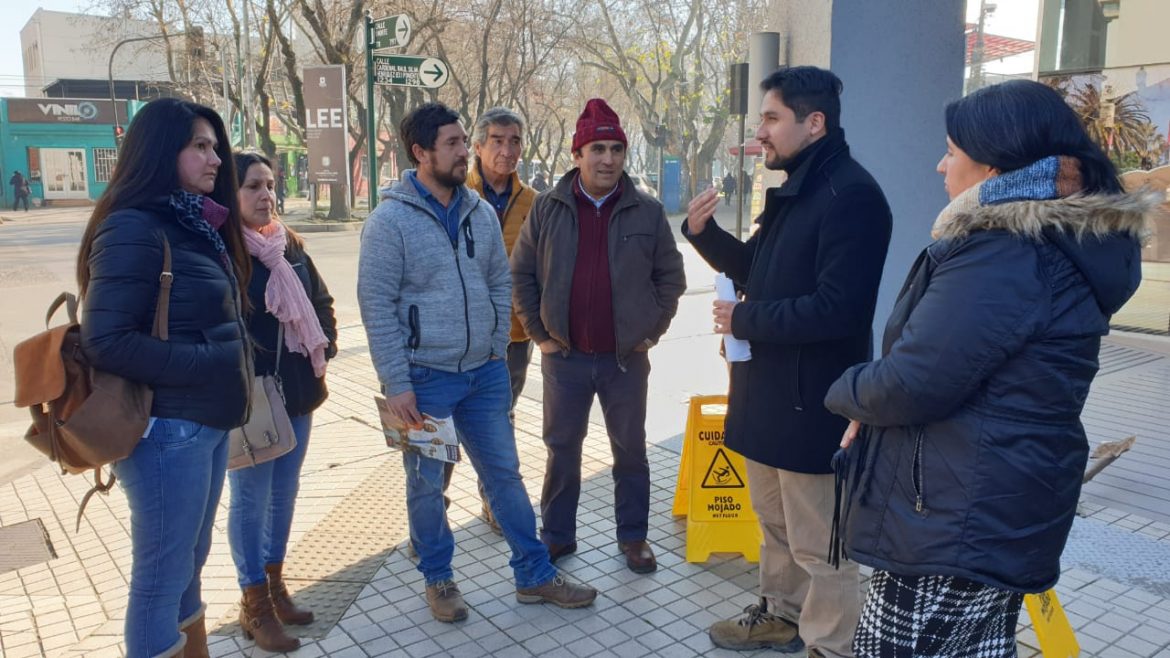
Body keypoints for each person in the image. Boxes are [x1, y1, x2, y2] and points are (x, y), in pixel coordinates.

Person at [824, 79, 1149, 658]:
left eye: (952, 151)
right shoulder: (1041, 244)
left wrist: (845, 391)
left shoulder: (1007, 253)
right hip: (983, 506)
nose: (940, 165)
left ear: (994, 167)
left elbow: (911, 382)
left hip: (954, 520)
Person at [358, 101, 597, 623]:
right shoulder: (388, 222)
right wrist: (397, 382)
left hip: (485, 375)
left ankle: (534, 575)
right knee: (426, 482)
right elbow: (376, 307)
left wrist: (493, 343)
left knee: (506, 476)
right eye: (452, 144)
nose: (465, 151)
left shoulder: (480, 212)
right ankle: (439, 579)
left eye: (465, 141)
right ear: (420, 153)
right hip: (424, 381)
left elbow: (497, 278)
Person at [683, 67, 892, 658]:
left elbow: (840, 310)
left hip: (813, 406)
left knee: (821, 547)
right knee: (774, 527)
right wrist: (705, 236)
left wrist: (744, 321)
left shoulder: (851, 197)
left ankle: (828, 645)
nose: (761, 133)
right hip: (768, 396)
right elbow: (759, 271)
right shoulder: (798, 188)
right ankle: (781, 614)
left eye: (771, 119)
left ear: (814, 122)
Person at [76, 98, 252, 658]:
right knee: (158, 579)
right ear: (160, 152)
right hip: (166, 432)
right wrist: (208, 362)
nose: (216, 159)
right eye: (199, 146)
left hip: (205, 424)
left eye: (214, 146)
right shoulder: (135, 226)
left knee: (188, 566)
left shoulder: (195, 221)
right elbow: (106, 338)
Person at [511, 98, 687, 575]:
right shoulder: (547, 209)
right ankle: (558, 537)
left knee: (630, 451)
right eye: (597, 148)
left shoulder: (646, 212)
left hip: (625, 360)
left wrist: (651, 331)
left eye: (616, 149)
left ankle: (633, 537)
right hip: (564, 357)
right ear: (577, 154)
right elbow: (521, 274)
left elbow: (672, 279)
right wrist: (541, 335)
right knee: (562, 450)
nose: (608, 158)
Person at [227, 152, 337, 651]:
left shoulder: (287, 245)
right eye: (252, 186)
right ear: (229, 194)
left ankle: (274, 586)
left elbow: (321, 302)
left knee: (284, 494)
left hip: (297, 393)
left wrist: (324, 344)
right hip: (250, 401)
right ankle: (254, 603)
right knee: (250, 500)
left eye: (270, 185)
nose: (265, 195)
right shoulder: (224, 252)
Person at [437, 107, 539, 535]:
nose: (507, 149)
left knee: (500, 417)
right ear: (476, 146)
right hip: (457, 335)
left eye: (514, 141)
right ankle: (432, 510)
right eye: (497, 140)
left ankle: (493, 501)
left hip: (513, 335)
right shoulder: (454, 193)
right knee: (442, 426)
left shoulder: (534, 202)